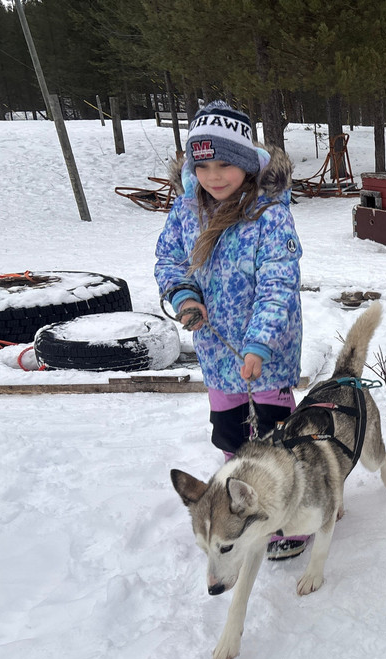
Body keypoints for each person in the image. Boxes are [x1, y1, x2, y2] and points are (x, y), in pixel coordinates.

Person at [154, 100, 308, 560]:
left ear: (245, 163)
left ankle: (287, 511)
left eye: (224, 164)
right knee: (230, 434)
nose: (213, 176)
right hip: (217, 353)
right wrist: (184, 296)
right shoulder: (187, 210)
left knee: (276, 435)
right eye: (202, 166)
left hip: (268, 352)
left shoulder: (269, 214)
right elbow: (169, 260)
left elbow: (279, 285)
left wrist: (260, 343)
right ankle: (237, 509)